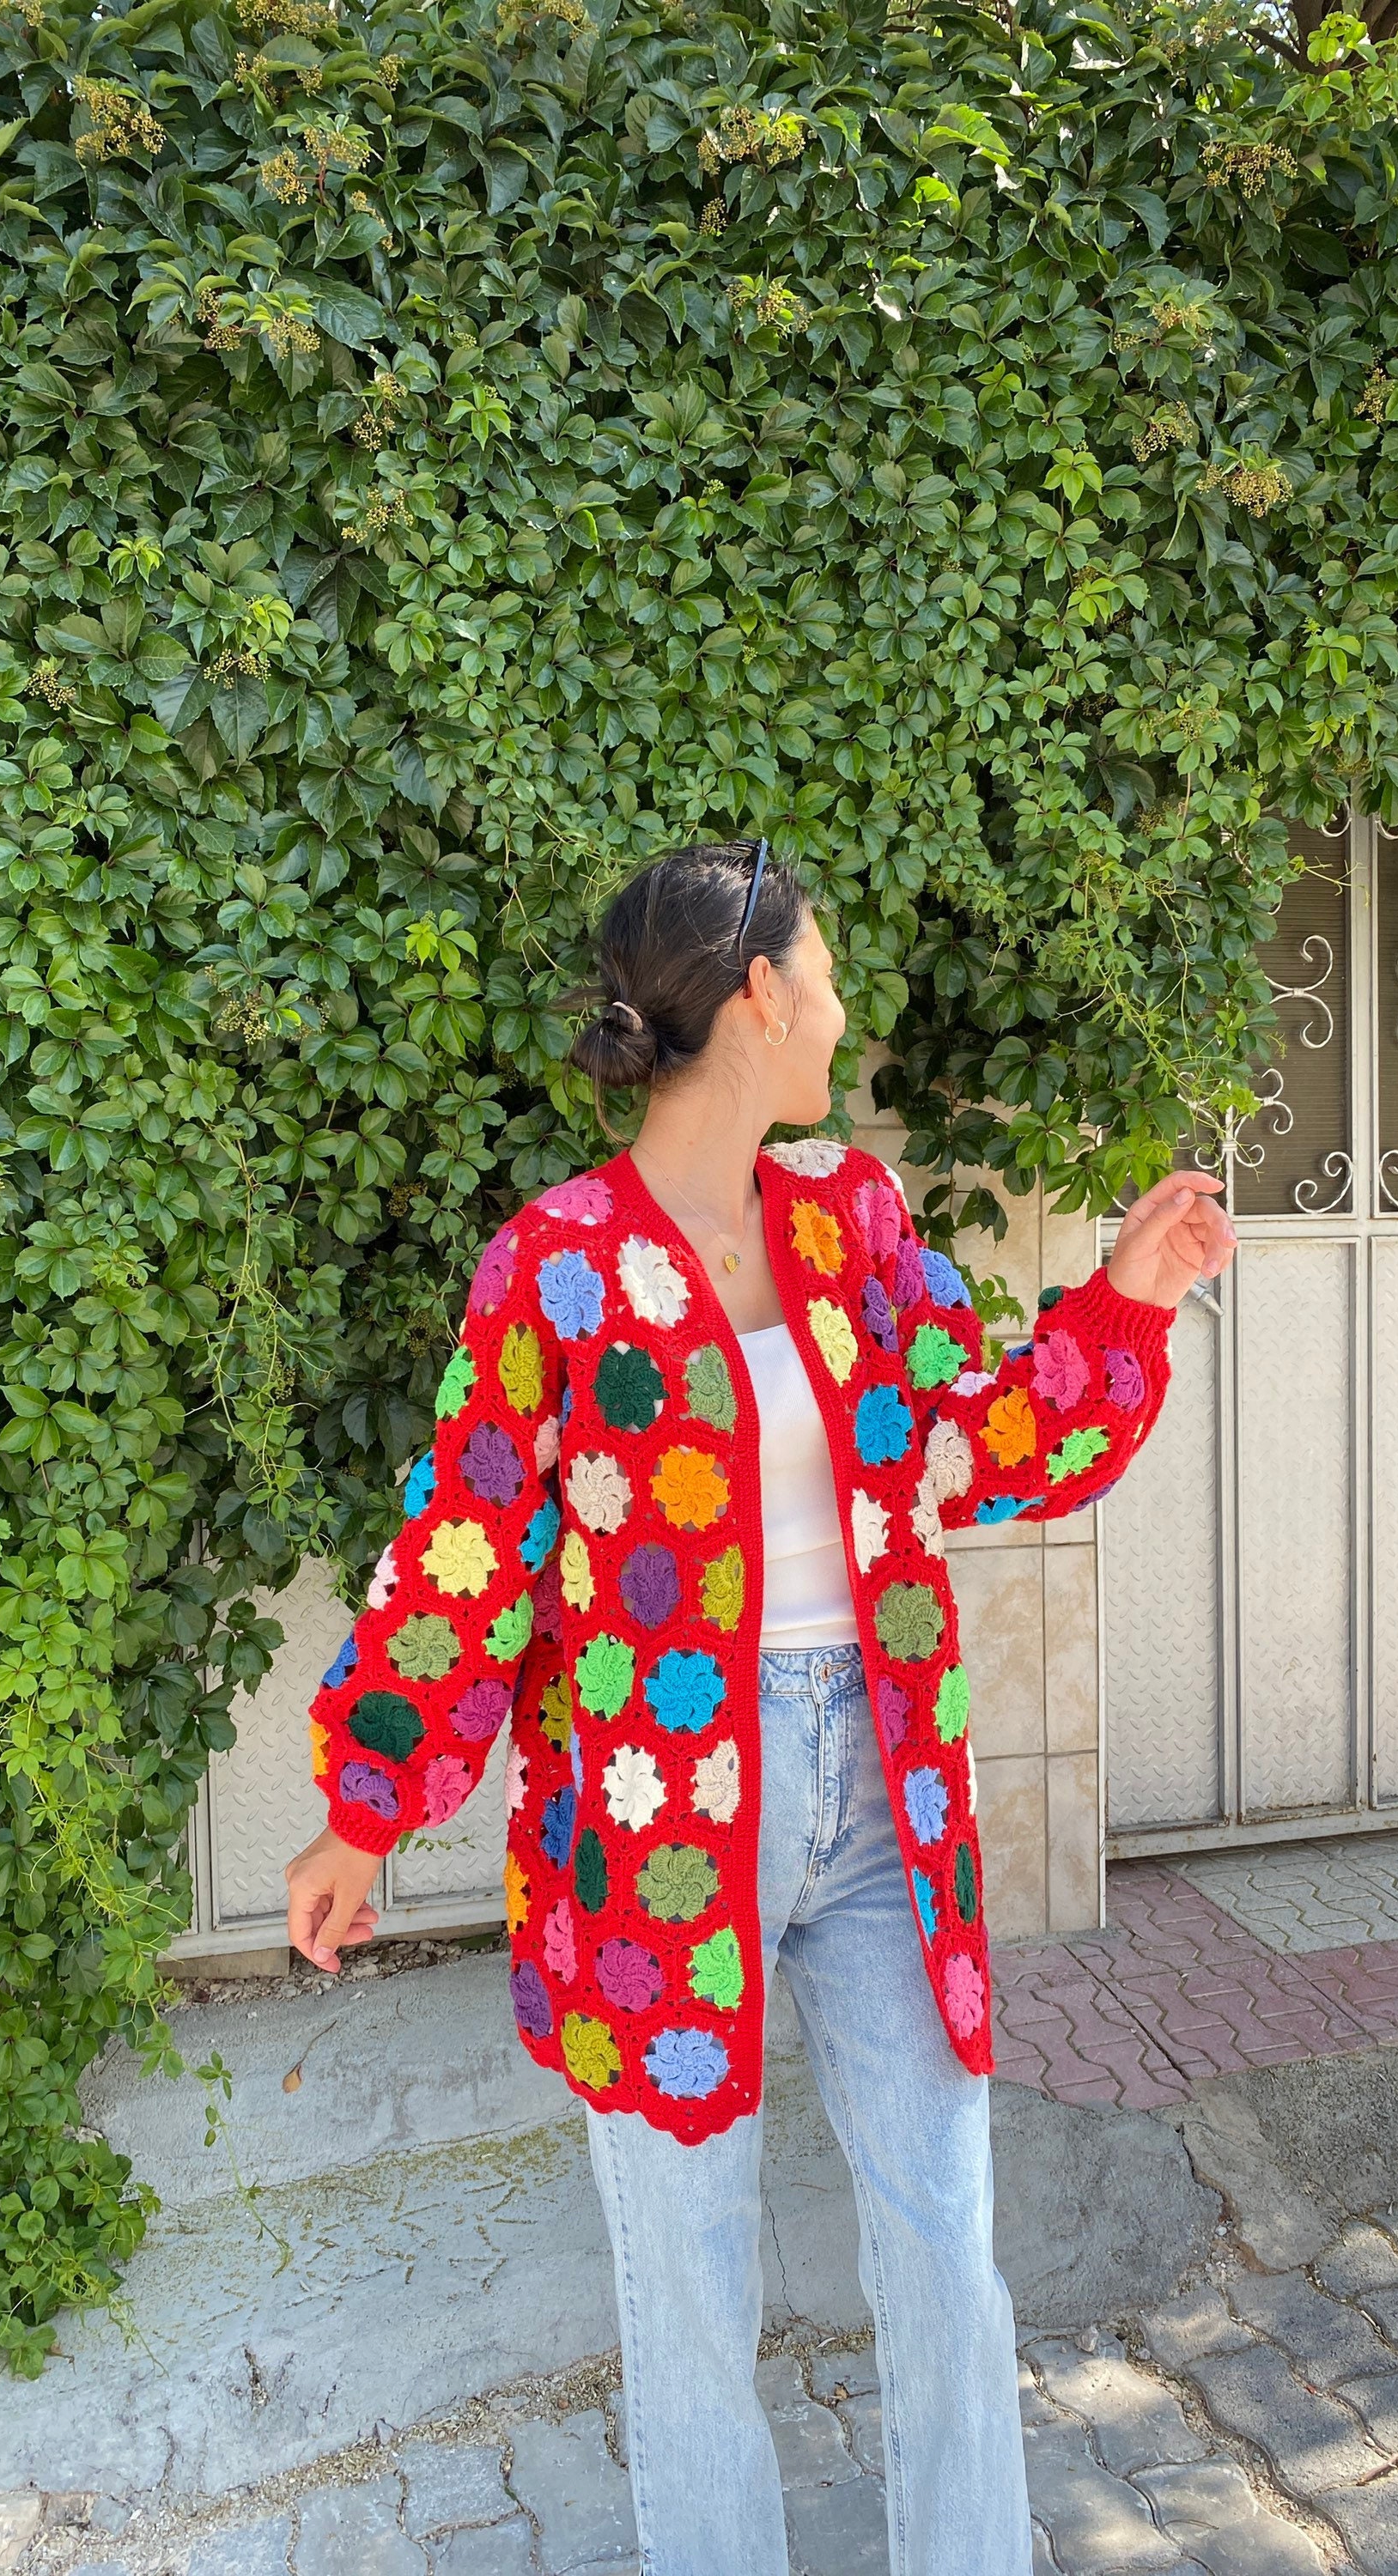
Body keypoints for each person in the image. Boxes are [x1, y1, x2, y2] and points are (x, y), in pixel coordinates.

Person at [285, 838, 1236, 2576]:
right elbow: (467, 1544)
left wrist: (1129, 1301)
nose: (847, 1007)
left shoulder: (854, 1220)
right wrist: (365, 1808)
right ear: (754, 998)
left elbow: (978, 1436)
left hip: (881, 1797)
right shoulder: (554, 1267)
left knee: (947, 2242)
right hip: (653, 1845)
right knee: (687, 2285)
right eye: (828, 971)